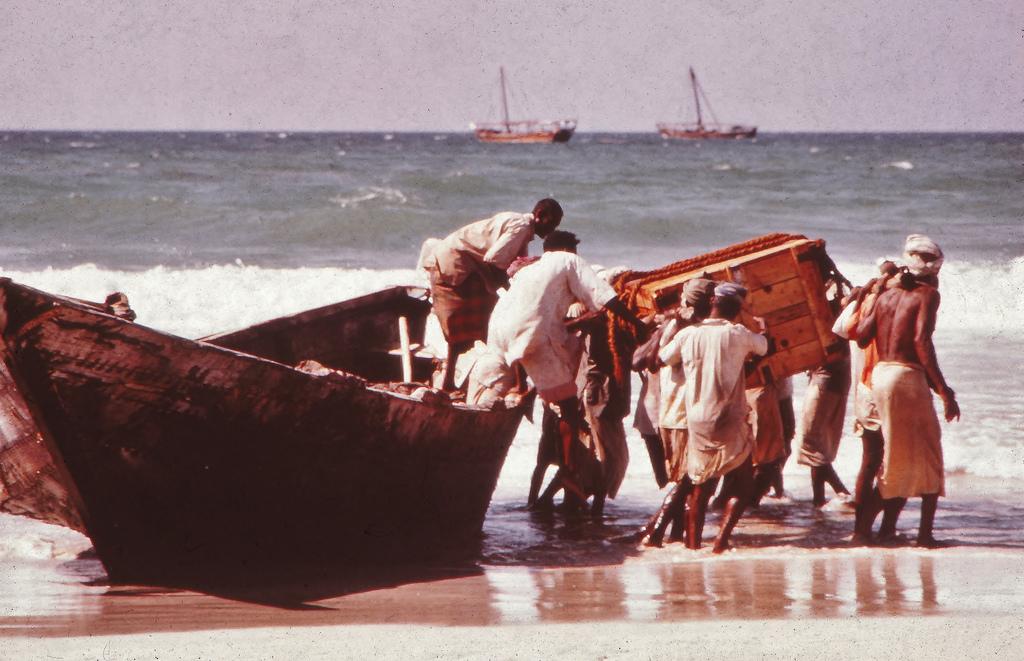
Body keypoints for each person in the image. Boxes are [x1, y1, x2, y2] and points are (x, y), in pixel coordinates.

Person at [487, 230, 646, 501]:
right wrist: (638, 324)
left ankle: (521, 389)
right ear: (568, 248)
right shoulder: (569, 260)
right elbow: (605, 296)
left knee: (560, 402)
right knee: (570, 408)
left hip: (498, 331)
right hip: (534, 335)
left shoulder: (531, 269)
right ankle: (570, 471)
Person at [855, 235, 960, 547]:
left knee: (895, 459)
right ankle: (924, 536)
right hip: (906, 377)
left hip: (880, 376)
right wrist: (944, 391)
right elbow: (921, 341)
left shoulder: (886, 294)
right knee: (929, 455)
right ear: (933, 271)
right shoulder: (927, 295)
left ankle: (864, 532)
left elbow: (861, 336)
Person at [420, 199, 564, 391]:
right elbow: (492, 259)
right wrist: (504, 291)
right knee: (464, 326)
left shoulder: (523, 231)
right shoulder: (520, 227)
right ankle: (452, 382)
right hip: (454, 264)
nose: (551, 230)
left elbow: (512, 267)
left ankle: (468, 379)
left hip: (469, 267)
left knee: (487, 320)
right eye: (551, 223)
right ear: (539, 215)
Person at [674, 282, 769, 553]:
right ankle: (720, 543)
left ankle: (692, 546)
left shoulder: (690, 334)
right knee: (743, 482)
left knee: (701, 484)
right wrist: (762, 327)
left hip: (697, 417)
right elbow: (763, 347)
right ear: (736, 310)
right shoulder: (738, 333)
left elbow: (665, 357)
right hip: (729, 416)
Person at [639, 278, 716, 546]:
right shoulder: (681, 327)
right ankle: (656, 531)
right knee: (688, 478)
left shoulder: (700, 328)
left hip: (684, 411)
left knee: (692, 478)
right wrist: (669, 328)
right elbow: (649, 361)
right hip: (682, 412)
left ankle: (672, 534)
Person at [797, 356, 853, 508]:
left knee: (812, 443)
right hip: (832, 380)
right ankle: (820, 500)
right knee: (816, 444)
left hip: (825, 382)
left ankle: (839, 493)